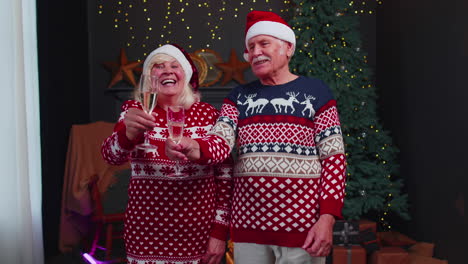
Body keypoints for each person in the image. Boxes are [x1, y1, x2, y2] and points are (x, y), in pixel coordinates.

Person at [166, 11, 347, 264]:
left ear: (287, 48)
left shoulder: (316, 92)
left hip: (303, 230)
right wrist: (191, 146)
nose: (256, 51)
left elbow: (334, 159)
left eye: (264, 43)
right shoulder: (238, 96)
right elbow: (219, 143)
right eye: (251, 47)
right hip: (248, 229)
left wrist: (327, 218)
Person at [101, 43, 233, 264]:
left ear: (186, 75)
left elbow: (225, 175)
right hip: (145, 232)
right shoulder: (134, 110)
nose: (168, 70)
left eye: (175, 65)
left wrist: (219, 233)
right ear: (149, 78)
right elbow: (111, 157)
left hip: (196, 233)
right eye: (158, 66)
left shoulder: (208, 114)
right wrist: (127, 134)